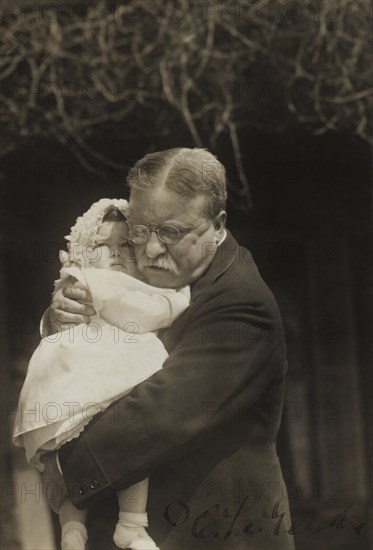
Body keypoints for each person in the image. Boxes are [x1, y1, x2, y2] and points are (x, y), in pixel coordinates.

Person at [42, 148, 296, 550]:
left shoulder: (241, 304)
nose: (151, 250)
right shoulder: (159, 274)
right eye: (141, 230)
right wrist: (64, 318)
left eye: (172, 233)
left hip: (214, 532)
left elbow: (163, 413)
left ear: (217, 225)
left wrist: (60, 462)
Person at [13, 198, 190, 550]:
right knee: (57, 454)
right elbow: (62, 322)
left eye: (125, 245)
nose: (115, 253)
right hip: (79, 394)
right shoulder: (79, 282)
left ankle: (132, 523)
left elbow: (160, 309)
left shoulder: (154, 284)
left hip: (138, 417)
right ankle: (71, 528)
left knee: (131, 443)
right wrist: (55, 315)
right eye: (102, 245)